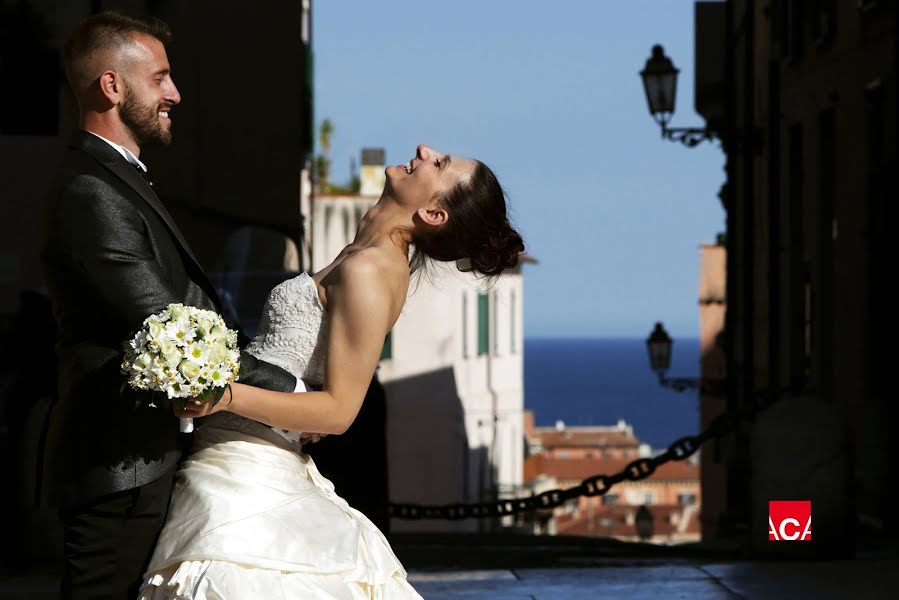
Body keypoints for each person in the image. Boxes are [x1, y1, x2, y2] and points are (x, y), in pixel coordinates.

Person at [138, 143, 524, 598]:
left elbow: (339, 411)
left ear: (435, 215)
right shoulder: (364, 254)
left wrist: (223, 396)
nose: (425, 149)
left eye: (439, 164)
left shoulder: (370, 269)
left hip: (247, 475)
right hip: (235, 457)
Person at [39, 12, 308, 598]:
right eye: (160, 78)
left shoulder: (118, 179)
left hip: (147, 461)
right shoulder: (93, 191)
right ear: (112, 86)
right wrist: (293, 397)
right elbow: (167, 324)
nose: (175, 93)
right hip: (120, 468)